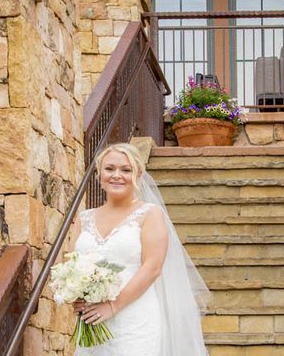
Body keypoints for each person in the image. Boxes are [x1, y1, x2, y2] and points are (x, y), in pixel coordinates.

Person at [68, 143, 209, 356]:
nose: (117, 175)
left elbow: (152, 267)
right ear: (99, 174)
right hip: (93, 319)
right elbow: (72, 264)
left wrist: (112, 306)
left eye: (126, 170)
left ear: (139, 174)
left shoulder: (149, 214)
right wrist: (75, 296)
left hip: (134, 318)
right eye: (110, 169)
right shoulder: (85, 217)